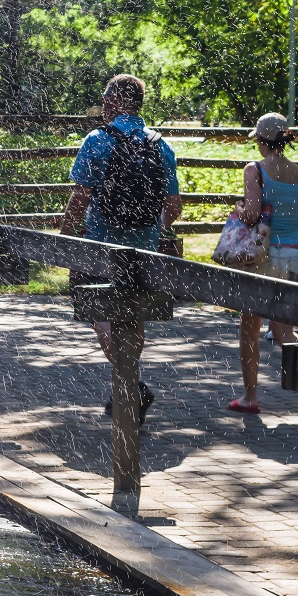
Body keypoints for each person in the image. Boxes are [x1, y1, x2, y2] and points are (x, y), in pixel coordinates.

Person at [58, 74, 183, 421]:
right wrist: (150, 229)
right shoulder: (161, 145)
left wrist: (64, 237)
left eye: (105, 98)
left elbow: (80, 198)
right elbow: (173, 206)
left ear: (115, 100)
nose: (102, 105)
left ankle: (131, 384)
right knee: (132, 313)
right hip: (144, 249)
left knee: (102, 314)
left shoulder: (97, 141)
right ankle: (127, 384)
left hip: (101, 247)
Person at [227, 113, 298, 416]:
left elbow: (252, 214)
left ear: (261, 141)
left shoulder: (255, 169)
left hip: (262, 257)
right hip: (292, 254)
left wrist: (238, 208)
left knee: (250, 327)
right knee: (284, 331)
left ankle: (250, 397)